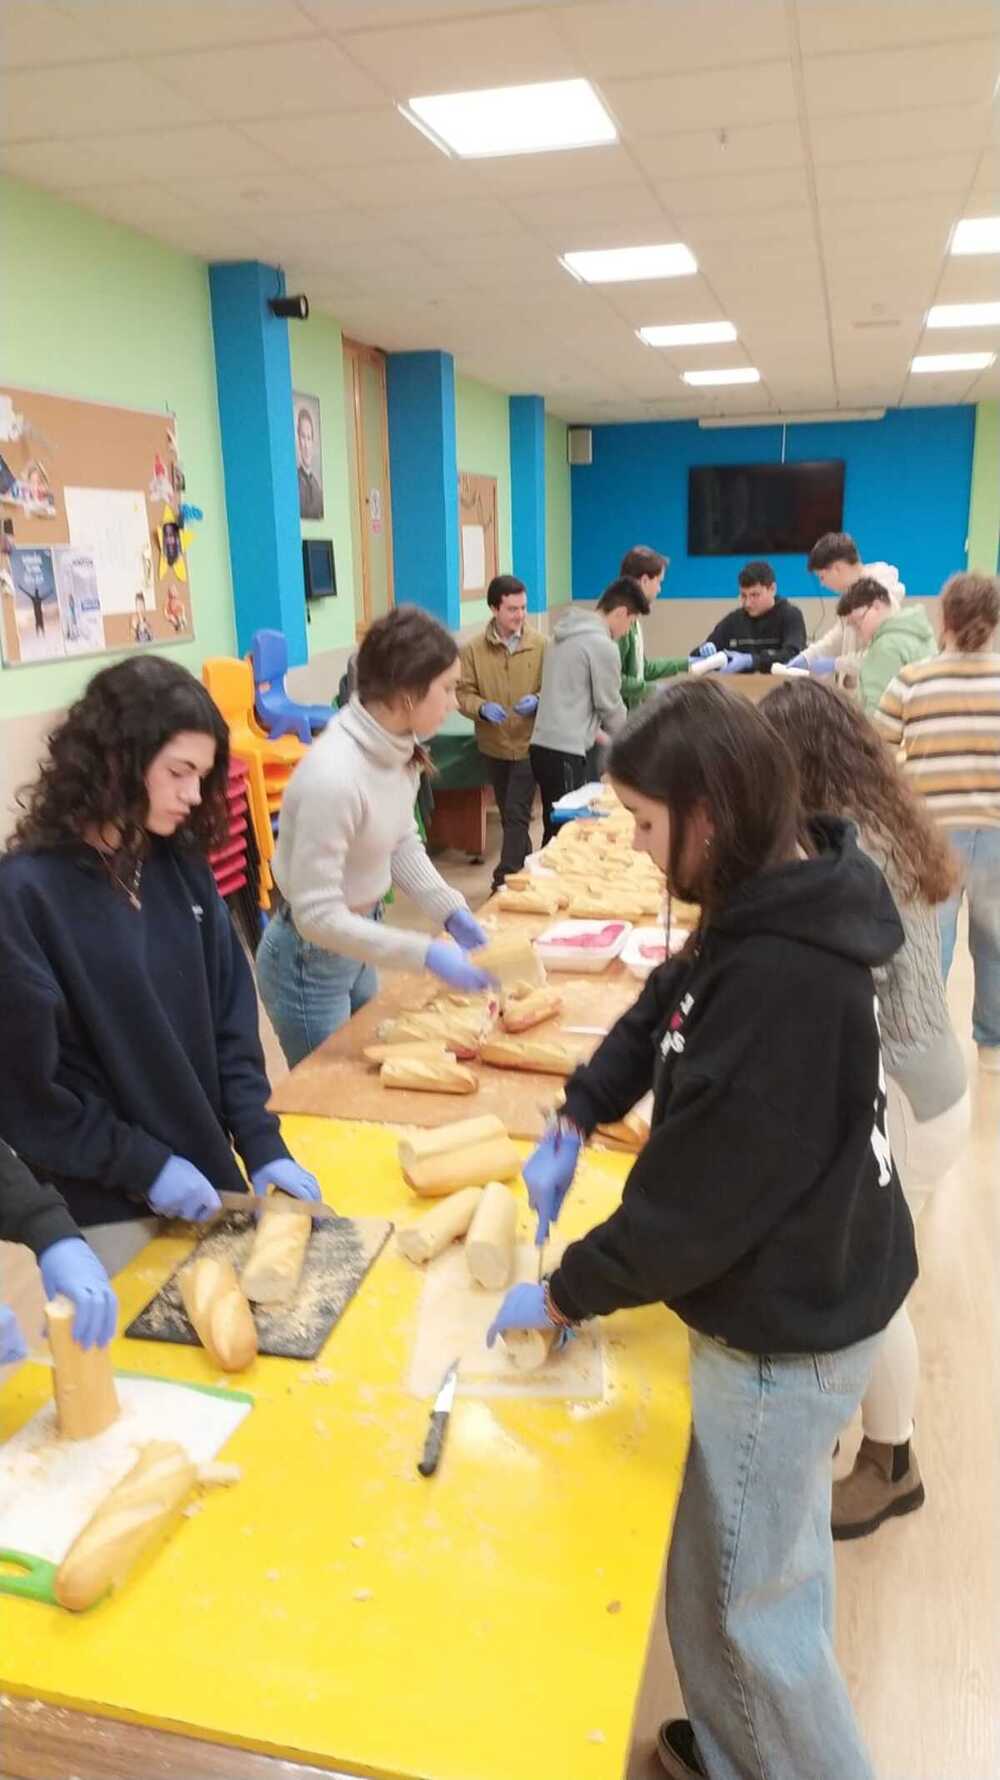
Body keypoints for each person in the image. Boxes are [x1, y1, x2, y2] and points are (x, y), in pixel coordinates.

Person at [487, 679, 916, 1780]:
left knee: (745, 1605)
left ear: (709, 813)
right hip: (815, 1283)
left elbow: (695, 1205)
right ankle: (735, 1753)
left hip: (787, 1331)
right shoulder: (777, 893)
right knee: (749, 1576)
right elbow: (669, 998)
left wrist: (566, 1288)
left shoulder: (785, 975)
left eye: (641, 821)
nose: (632, 845)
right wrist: (583, 1104)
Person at [0, 656, 320, 1271]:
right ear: (118, 760)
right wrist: (143, 1165)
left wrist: (259, 1139)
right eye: (178, 773)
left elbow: (231, 1018)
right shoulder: (27, 896)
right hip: (106, 1201)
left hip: (208, 1176)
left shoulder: (176, 864)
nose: (193, 795)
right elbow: (30, 1095)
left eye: (202, 776)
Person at [762, 678, 969, 1538]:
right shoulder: (876, 819)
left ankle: (891, 1462)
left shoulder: (856, 854)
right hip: (929, 1083)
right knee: (874, 1278)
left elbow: (837, 977)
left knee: (869, 1289)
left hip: (910, 1093)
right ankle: (877, 1430)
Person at [257, 606, 492, 1068]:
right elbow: (316, 916)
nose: (453, 701)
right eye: (446, 689)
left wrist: (449, 909)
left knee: (372, 1067)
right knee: (331, 1102)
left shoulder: (394, 747)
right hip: (309, 957)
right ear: (406, 694)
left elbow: (400, 838)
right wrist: (423, 953)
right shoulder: (335, 775)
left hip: (360, 937)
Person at [875, 571, 1000, 1070]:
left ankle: (923, 1046)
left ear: (943, 620)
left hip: (930, 834)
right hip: (997, 832)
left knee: (929, 945)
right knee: (993, 943)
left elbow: (878, 757)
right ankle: (991, 1045)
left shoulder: (911, 680)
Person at [530, 578, 649, 845]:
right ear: (620, 613)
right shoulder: (602, 645)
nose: (627, 630)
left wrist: (598, 734)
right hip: (566, 753)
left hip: (542, 745)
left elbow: (571, 699)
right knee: (568, 834)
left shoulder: (561, 635)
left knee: (554, 827)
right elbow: (609, 705)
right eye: (630, 623)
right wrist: (633, 742)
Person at [456, 575, 546, 892]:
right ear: (494, 609)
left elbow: (554, 689)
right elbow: (462, 693)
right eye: (511, 609)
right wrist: (481, 708)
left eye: (522, 607)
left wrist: (539, 699)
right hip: (493, 745)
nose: (519, 615)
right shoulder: (472, 650)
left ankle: (503, 878)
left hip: (528, 744)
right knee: (510, 812)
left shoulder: (541, 645)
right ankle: (525, 864)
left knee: (518, 813)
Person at [788, 531, 906, 674]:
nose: (822, 584)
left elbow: (881, 656)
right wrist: (808, 656)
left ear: (837, 568)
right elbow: (839, 637)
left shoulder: (879, 599)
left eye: (822, 577)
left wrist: (836, 664)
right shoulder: (854, 595)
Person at [834, 576, 936, 714]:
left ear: (876, 606)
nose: (858, 632)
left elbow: (877, 710)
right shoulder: (918, 633)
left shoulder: (885, 647)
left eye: (858, 622)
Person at [689, 560, 806, 674]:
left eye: (755, 595)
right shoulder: (734, 620)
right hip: (741, 689)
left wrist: (752, 661)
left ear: (772, 589)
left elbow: (793, 656)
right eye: (743, 596)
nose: (748, 603)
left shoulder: (790, 615)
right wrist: (703, 652)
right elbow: (695, 656)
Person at [617, 546, 686, 708]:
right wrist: (656, 690)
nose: (660, 589)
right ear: (645, 580)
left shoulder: (633, 620)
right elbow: (613, 680)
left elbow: (643, 669)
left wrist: (687, 664)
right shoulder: (620, 621)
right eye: (659, 582)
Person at [296, 406, 323, 520]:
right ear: (298, 439)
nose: (306, 445)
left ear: (313, 442)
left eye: (309, 438)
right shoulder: (294, 482)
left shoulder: (317, 488)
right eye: (303, 437)